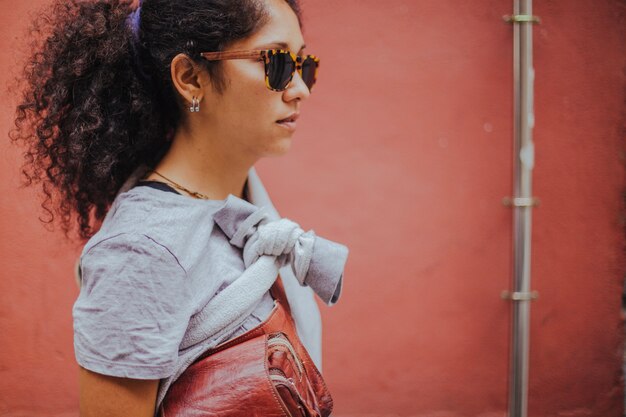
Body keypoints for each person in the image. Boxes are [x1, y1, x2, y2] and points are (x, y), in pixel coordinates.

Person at [9, 0, 349, 415]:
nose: (301, 88)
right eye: (276, 62)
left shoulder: (245, 205)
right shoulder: (140, 252)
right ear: (190, 77)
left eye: (304, 64)